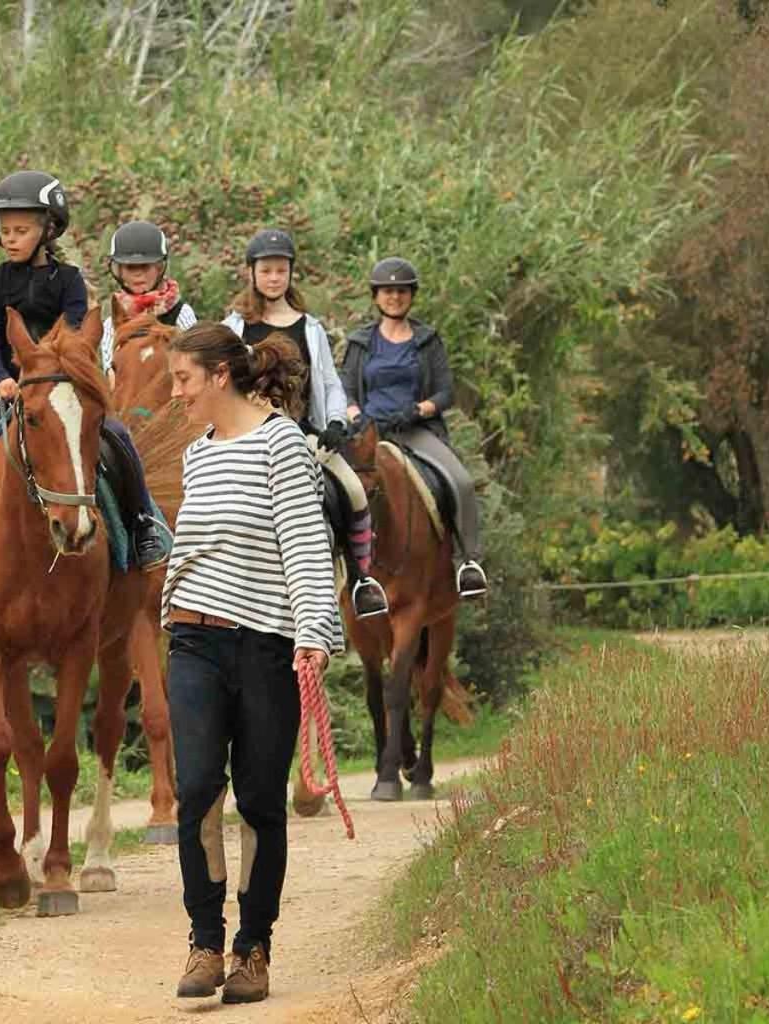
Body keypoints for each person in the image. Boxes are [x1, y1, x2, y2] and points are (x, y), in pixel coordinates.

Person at [161, 321, 343, 1005]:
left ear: (217, 375)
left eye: (183, 380)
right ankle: (205, 942)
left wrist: (313, 633)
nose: (177, 394)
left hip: (267, 644)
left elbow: (301, 544)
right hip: (195, 642)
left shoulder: (283, 445)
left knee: (260, 801)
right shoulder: (198, 455)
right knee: (199, 789)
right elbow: (190, 549)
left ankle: (253, 949)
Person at [0, 171, 168, 572]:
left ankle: (141, 527)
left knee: (119, 440)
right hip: (8, 391)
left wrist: (56, 373)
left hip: (64, 391)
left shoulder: (70, 281)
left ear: (48, 231)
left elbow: (77, 338)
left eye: (21, 230)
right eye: (4, 230)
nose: (10, 238)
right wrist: (0, 378)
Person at [223, 228, 387, 619]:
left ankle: (363, 580)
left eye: (281, 270)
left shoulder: (309, 327)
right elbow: (223, 381)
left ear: (291, 274)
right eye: (267, 270)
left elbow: (329, 382)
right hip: (248, 436)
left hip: (302, 435)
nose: (274, 278)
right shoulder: (234, 326)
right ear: (252, 273)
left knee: (353, 490)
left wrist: (333, 421)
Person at [339, 257, 488, 597]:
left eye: (402, 291)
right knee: (332, 489)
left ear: (411, 296)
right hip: (369, 434)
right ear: (376, 296)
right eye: (388, 291)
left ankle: (469, 563)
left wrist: (417, 410)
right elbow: (344, 388)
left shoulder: (427, 340)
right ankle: (333, 572)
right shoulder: (360, 342)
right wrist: (356, 417)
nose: (395, 297)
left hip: (415, 430)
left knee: (462, 482)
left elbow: (445, 392)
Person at [99, 219, 198, 388]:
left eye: (145, 266)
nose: (138, 274)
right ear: (119, 271)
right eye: (130, 267)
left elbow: (195, 363)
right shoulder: (111, 325)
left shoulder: (181, 313)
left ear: (159, 268)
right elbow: (112, 377)